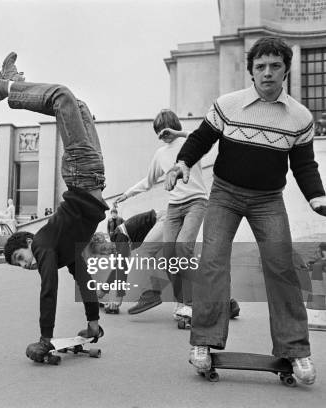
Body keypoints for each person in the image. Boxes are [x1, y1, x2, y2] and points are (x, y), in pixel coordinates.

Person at [165, 37, 326, 385]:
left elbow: (304, 165)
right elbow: (200, 139)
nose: (268, 73)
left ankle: (295, 350)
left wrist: (317, 197)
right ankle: (204, 343)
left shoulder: (299, 117)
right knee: (213, 263)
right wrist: (182, 164)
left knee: (282, 266)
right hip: (225, 194)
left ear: (286, 70)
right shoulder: (229, 105)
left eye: (275, 66)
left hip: (268, 199)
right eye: (260, 66)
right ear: (251, 71)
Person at [0, 51, 109, 362]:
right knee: (78, 106)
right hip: (94, 175)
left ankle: (6, 89)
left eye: (20, 258)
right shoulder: (66, 250)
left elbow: (49, 288)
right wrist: (93, 324)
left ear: (27, 242)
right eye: (20, 265)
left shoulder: (42, 242)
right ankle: (15, 83)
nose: (26, 264)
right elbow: (84, 278)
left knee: (62, 96)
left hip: (82, 175)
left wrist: (45, 338)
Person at [115, 109, 210, 321]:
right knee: (168, 256)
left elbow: (202, 136)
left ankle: (192, 303)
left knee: (182, 248)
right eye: (159, 132)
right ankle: (180, 301)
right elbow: (148, 181)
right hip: (174, 208)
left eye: (165, 130)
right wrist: (127, 193)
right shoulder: (160, 154)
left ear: (174, 126)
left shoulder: (190, 143)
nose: (163, 135)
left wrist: (179, 134)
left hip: (196, 202)